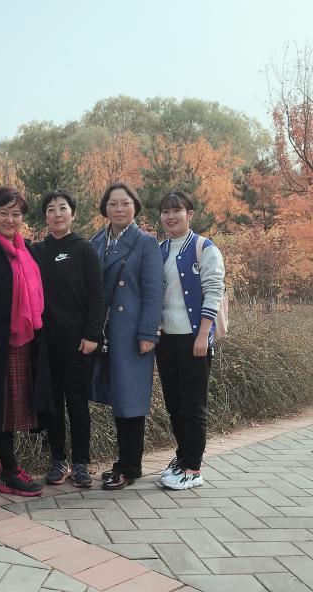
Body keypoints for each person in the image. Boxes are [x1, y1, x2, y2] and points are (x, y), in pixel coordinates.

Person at [0, 186, 53, 497]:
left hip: (25, 338)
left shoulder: (27, 249)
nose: (10, 219)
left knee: (11, 403)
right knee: (2, 403)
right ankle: (9, 470)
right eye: (3, 213)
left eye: (16, 214)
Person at [90, 181, 164, 490]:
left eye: (125, 203)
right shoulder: (96, 241)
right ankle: (122, 462)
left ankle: (129, 466)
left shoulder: (145, 242)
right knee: (113, 396)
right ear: (104, 208)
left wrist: (148, 332)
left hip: (132, 333)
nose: (118, 209)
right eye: (112, 204)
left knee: (129, 398)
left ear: (135, 207)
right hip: (103, 332)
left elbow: (154, 291)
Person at [33, 190, 104, 488]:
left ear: (73, 214)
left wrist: (92, 334)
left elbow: (97, 295)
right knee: (52, 404)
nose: (57, 214)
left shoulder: (84, 250)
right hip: (46, 343)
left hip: (78, 342)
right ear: (45, 217)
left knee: (77, 403)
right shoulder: (37, 251)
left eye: (63, 208)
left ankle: (81, 463)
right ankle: (58, 460)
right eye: (51, 209)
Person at [157, 190, 225, 490]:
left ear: (190, 214)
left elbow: (213, 291)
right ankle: (182, 457)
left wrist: (203, 335)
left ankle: (193, 469)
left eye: (177, 210)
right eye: (165, 211)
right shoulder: (160, 250)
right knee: (174, 405)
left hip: (194, 339)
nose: (171, 216)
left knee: (193, 406)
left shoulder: (204, 248)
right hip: (166, 340)